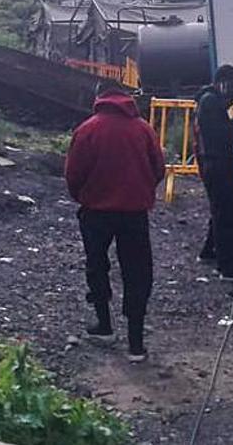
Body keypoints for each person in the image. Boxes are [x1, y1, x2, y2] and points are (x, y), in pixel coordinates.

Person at [64, 81, 166, 362]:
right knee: (137, 273)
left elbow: (73, 174)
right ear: (127, 98)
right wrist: (142, 191)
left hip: (96, 212)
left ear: (99, 97)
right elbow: (159, 168)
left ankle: (104, 326)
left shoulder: (87, 129)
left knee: (97, 266)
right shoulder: (143, 129)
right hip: (134, 213)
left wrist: (85, 196)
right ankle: (136, 344)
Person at [194, 65, 233, 282]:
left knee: (226, 212)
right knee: (225, 214)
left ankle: (216, 252)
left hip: (219, 165)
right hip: (216, 166)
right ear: (222, 83)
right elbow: (220, 136)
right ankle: (227, 265)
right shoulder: (210, 103)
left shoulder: (211, 102)